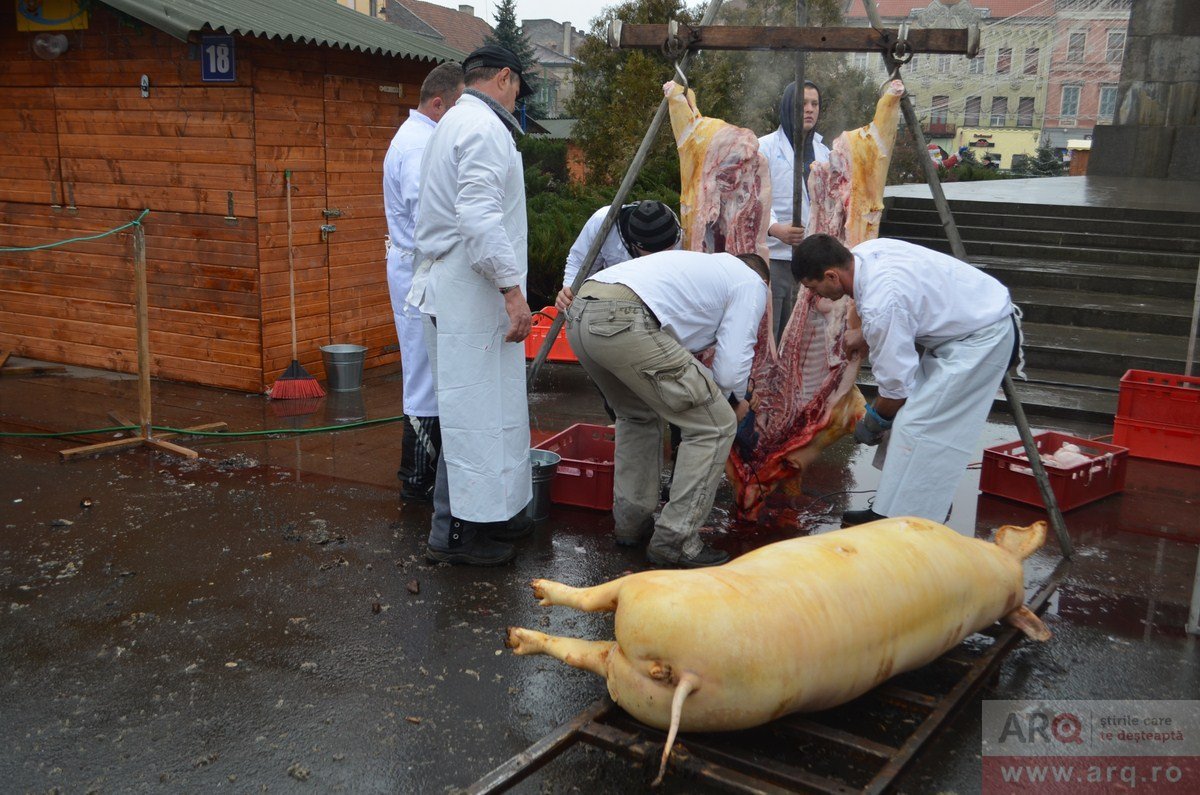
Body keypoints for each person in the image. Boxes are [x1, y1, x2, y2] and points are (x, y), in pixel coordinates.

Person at [792, 235, 1019, 527]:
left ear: (832, 275)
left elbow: (897, 390)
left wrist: (872, 424)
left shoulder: (882, 305)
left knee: (918, 426)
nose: (816, 296)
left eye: (814, 288)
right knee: (907, 424)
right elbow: (896, 307)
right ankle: (891, 508)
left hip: (982, 336)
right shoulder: (863, 255)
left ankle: (910, 523)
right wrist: (863, 333)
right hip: (963, 319)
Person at [409, 44, 535, 566]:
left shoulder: (456, 123)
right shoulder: (481, 129)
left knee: (477, 413)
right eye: (518, 88)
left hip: (460, 287)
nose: (517, 98)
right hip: (468, 292)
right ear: (504, 77)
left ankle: (485, 519)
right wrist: (512, 290)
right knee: (470, 416)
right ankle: (455, 534)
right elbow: (479, 219)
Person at [564, 250, 769, 568]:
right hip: (624, 317)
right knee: (714, 425)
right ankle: (676, 540)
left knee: (636, 415)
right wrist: (733, 401)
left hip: (581, 312)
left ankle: (631, 524)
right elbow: (729, 371)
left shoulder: (705, 270)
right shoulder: (751, 282)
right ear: (763, 281)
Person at [383, 62, 464, 503]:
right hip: (418, 269)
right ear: (438, 103)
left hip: (419, 267)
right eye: (454, 106)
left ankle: (425, 476)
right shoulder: (416, 147)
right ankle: (415, 479)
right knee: (422, 375)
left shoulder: (423, 138)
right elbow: (424, 219)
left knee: (430, 371)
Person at [758, 80, 830, 341]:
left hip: (813, 261)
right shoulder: (764, 147)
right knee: (771, 331)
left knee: (803, 335)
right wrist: (775, 228)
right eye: (803, 104)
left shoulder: (824, 153)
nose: (810, 110)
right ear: (789, 107)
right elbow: (754, 197)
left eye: (815, 104)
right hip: (775, 258)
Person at [553, 201, 681, 312]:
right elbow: (579, 261)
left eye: (670, 250)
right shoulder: (603, 223)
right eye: (655, 255)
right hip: (613, 304)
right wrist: (569, 291)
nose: (662, 258)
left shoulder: (687, 236)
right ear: (635, 247)